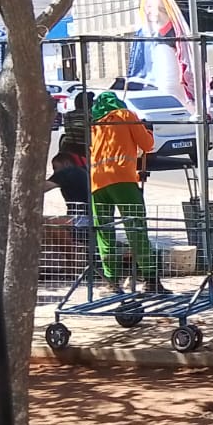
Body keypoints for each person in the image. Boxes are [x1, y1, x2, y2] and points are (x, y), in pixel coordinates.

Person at [87, 92, 164, 293]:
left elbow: (106, 157)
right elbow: (148, 145)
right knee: (136, 229)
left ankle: (112, 281)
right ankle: (151, 280)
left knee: (105, 232)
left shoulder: (95, 125)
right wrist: (147, 131)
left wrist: (136, 176)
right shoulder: (125, 115)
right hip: (122, 181)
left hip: (97, 183)